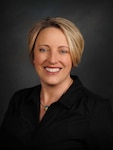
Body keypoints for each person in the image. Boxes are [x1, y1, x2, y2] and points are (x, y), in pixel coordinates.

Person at [0, 17, 113, 150]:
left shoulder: (96, 108)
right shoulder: (19, 99)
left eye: (63, 51)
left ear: (74, 56)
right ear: (33, 56)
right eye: (43, 49)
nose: (52, 60)